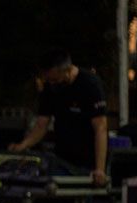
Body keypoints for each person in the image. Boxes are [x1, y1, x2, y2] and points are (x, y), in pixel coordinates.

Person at [8, 47, 108, 186]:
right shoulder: (50, 87)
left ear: (66, 71)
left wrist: (100, 169)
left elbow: (100, 128)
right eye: (49, 79)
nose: (52, 83)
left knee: (79, 200)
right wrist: (22, 146)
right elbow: (41, 125)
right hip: (61, 158)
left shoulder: (90, 84)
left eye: (55, 79)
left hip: (87, 161)